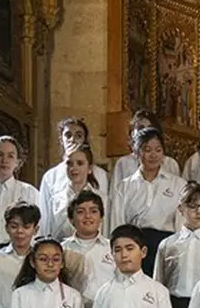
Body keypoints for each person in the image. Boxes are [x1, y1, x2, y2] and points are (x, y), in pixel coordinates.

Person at [109, 127, 187, 276]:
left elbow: (181, 225)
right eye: (147, 149)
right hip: (134, 247)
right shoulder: (125, 186)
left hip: (166, 247)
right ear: (137, 153)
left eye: (158, 150)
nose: (153, 155)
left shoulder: (178, 184)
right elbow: (117, 223)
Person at [0, 136, 39, 262]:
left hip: (19, 255)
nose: (4, 160)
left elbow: (38, 229)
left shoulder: (28, 192)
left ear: (17, 162)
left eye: (10, 156)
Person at [39, 118, 110, 215]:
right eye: (68, 135)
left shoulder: (100, 174)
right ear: (61, 140)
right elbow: (45, 215)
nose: (72, 139)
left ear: (84, 139)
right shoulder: (50, 176)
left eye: (78, 135)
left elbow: (104, 211)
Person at [60, 190, 115, 308]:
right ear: (71, 219)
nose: (88, 216)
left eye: (93, 211)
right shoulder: (62, 250)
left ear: (101, 217)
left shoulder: (113, 248)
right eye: (80, 212)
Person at [39, 144, 107, 239]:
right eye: (69, 163)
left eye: (80, 163)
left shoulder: (102, 199)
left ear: (90, 168)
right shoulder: (56, 199)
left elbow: (106, 231)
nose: (74, 168)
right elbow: (47, 230)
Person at [113, 109, 181, 187]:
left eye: (149, 127)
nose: (145, 132)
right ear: (132, 133)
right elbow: (115, 193)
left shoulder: (170, 164)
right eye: (140, 128)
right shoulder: (123, 163)